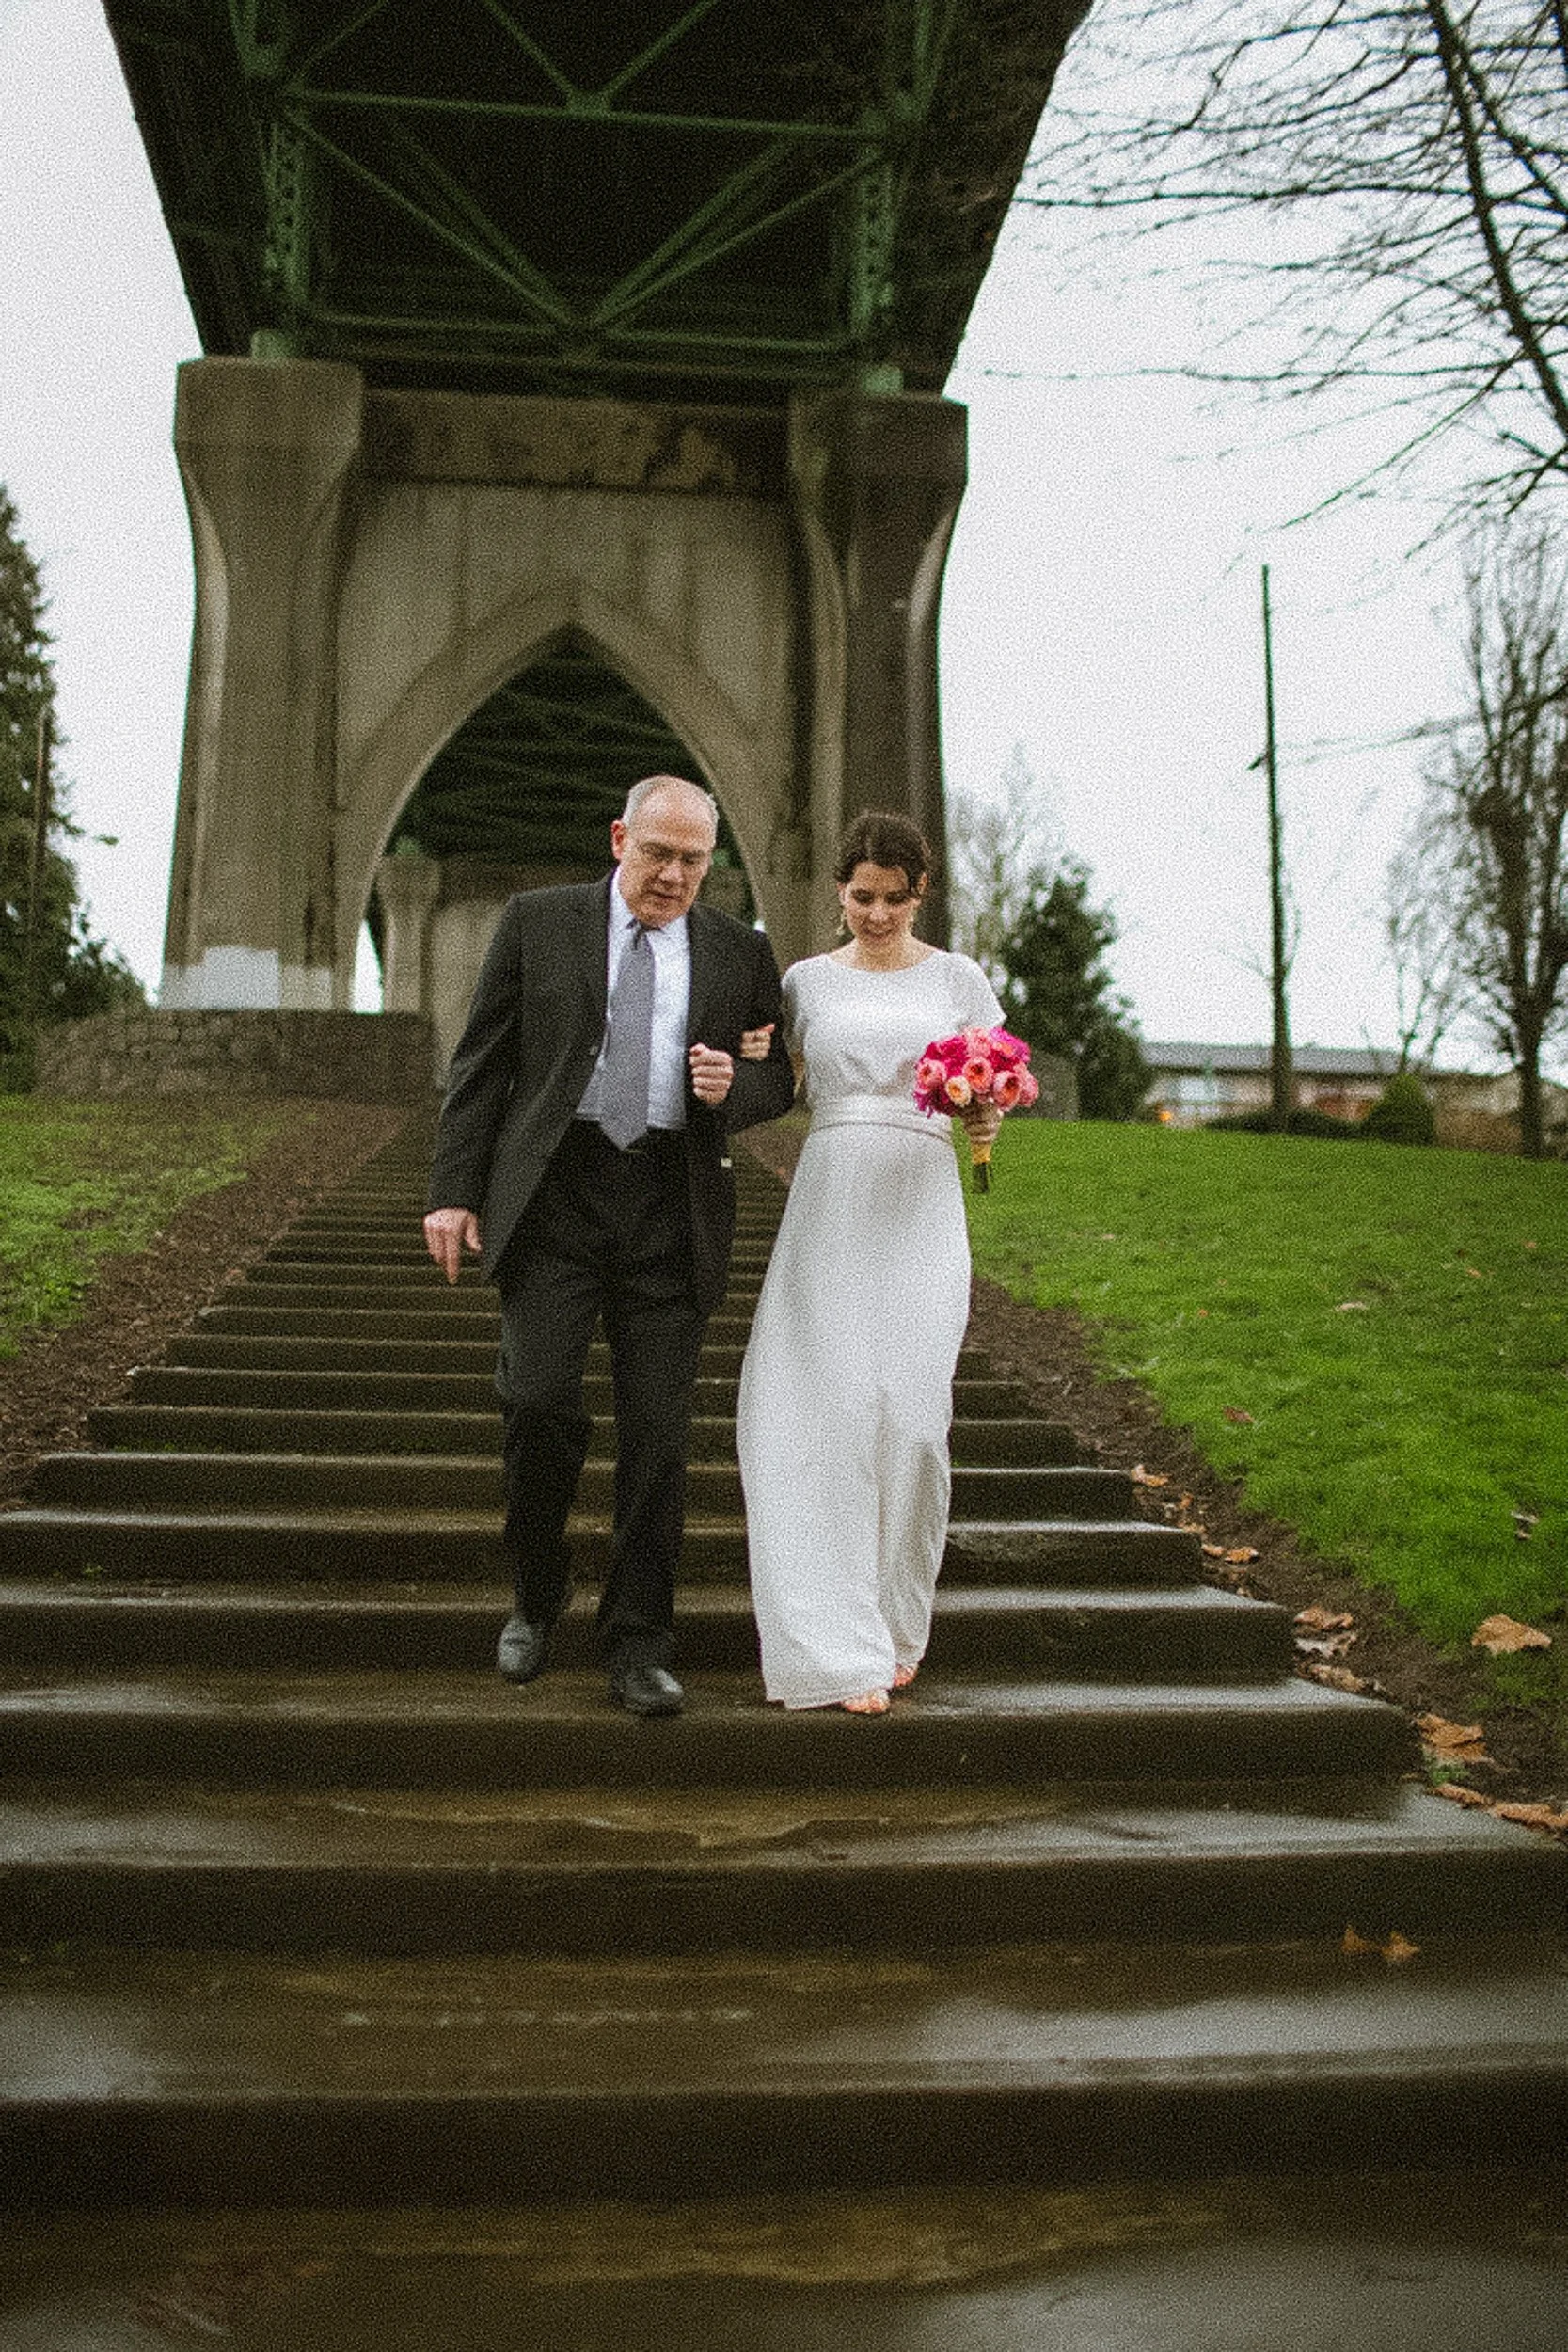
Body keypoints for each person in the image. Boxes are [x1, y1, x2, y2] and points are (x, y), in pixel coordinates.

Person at [424, 775, 796, 1717]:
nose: (673, 876)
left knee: (659, 1438)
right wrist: (451, 1193)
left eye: (693, 860)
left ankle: (639, 1638)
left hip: (668, 1205)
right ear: (618, 837)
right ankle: (536, 1593)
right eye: (657, 853)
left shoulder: (738, 951)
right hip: (554, 1194)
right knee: (540, 1399)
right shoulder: (535, 922)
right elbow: (484, 1061)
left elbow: (775, 1076)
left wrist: (729, 1090)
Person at [736, 810, 1003, 1713]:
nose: (876, 914)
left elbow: (989, 1084)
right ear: (839, 892)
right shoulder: (805, 982)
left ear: (918, 893)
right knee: (834, 1414)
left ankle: (895, 1623)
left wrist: (986, 1113)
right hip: (833, 1197)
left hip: (923, 1201)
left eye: (893, 898)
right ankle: (836, 1642)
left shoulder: (958, 978)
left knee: (916, 1422)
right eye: (860, 896)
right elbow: (774, 1083)